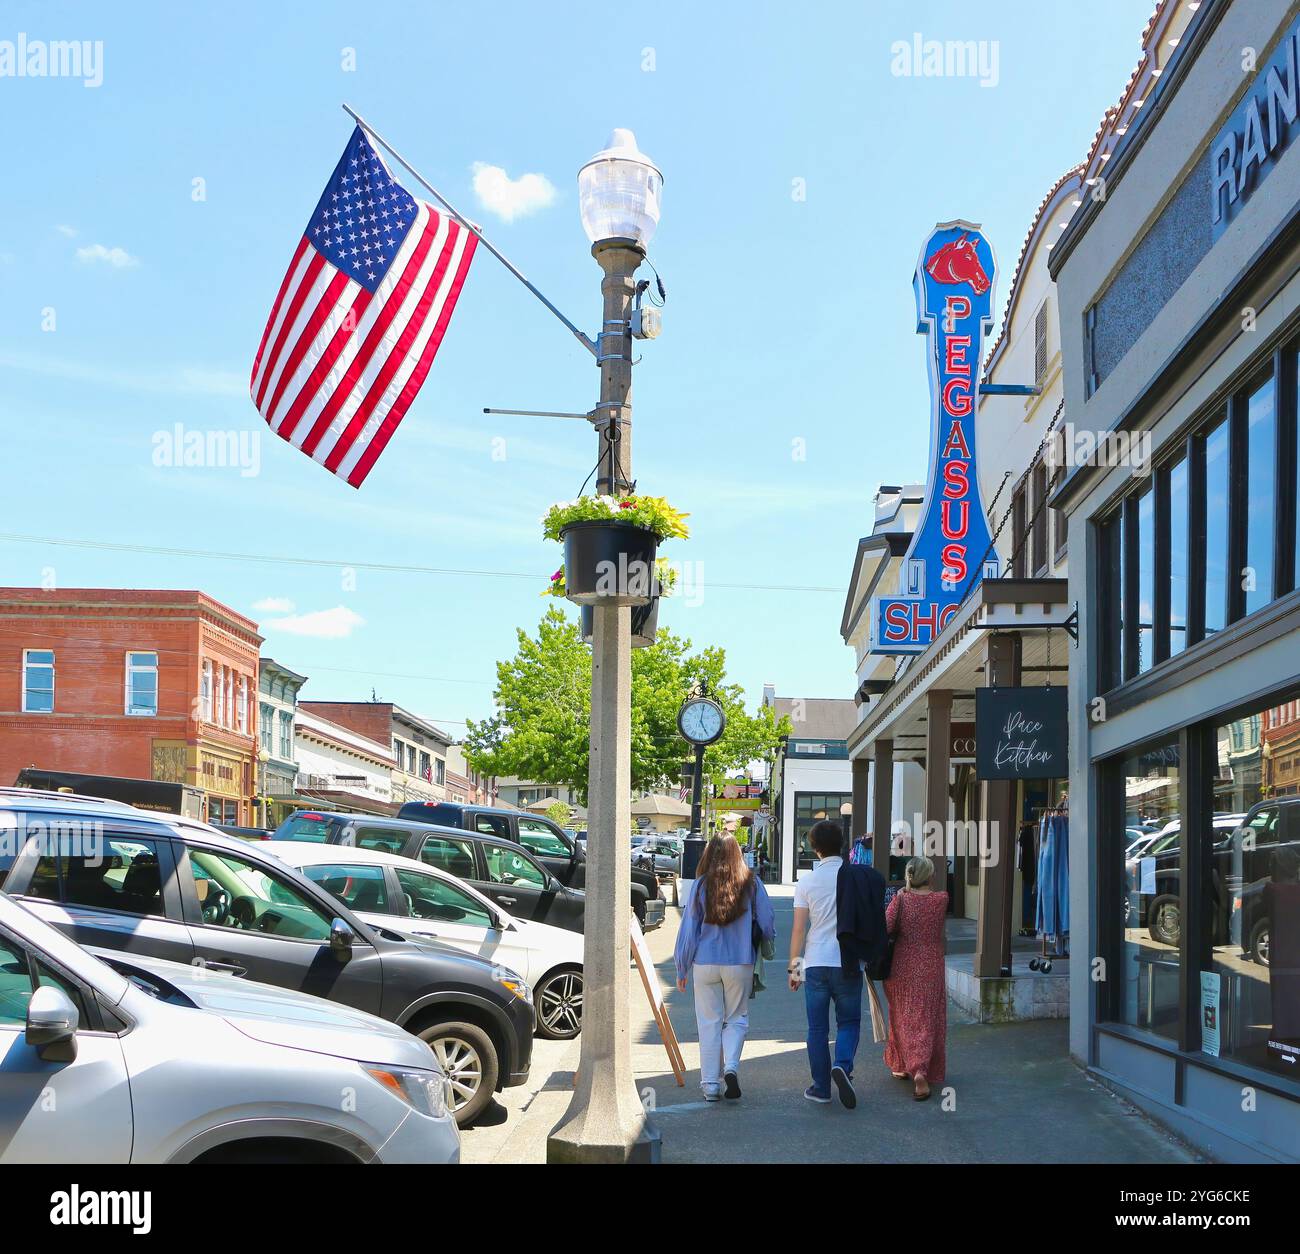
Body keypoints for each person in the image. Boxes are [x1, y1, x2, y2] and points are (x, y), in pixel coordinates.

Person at [674, 834, 775, 1101]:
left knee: (708, 1023)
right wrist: (767, 940)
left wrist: (682, 967)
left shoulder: (699, 886)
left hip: (704, 962)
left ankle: (710, 1086)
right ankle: (731, 1066)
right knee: (737, 1018)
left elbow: (689, 931)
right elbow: (767, 921)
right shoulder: (751, 883)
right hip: (739, 960)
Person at [789, 819, 861, 1108]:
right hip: (848, 960)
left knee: (817, 1029)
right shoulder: (855, 877)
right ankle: (842, 1064)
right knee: (849, 1021)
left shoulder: (806, 881)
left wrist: (795, 969)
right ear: (841, 845)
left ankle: (821, 1087)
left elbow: (798, 929)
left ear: (814, 848)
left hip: (816, 962)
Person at [883, 855, 948, 1101]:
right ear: (928, 876)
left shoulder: (901, 900)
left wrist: (901, 895)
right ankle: (922, 1070)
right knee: (927, 1016)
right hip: (931, 963)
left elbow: (887, 926)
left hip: (903, 963)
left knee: (902, 1013)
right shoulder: (942, 899)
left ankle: (903, 1065)